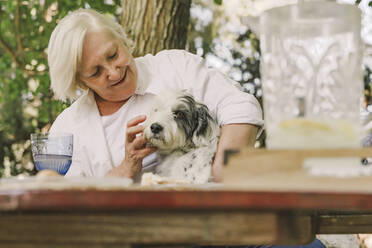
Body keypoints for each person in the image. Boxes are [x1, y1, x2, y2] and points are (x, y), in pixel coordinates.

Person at [47, 9, 324, 248]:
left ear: (122, 39)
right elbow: (68, 207)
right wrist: (128, 166)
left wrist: (223, 171)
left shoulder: (174, 66)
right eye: (96, 72)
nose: (114, 72)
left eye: (114, 54)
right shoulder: (68, 127)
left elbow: (239, 105)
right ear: (80, 83)